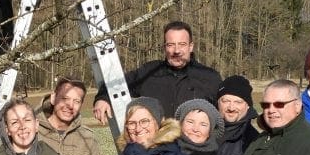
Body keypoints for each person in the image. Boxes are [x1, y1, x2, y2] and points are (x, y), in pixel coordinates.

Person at [93, 21, 222, 125]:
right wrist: (103, 98)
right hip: (156, 152)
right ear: (164, 47)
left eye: (182, 44)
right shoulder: (149, 72)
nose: (176, 50)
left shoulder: (210, 77)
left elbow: (225, 115)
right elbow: (115, 84)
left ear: (191, 46)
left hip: (195, 154)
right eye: (170, 45)